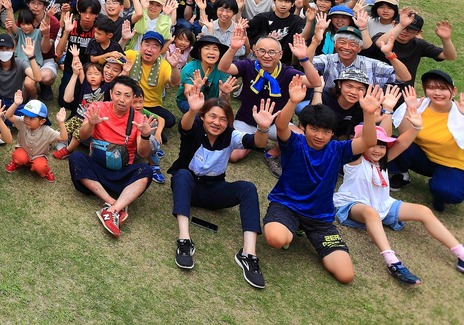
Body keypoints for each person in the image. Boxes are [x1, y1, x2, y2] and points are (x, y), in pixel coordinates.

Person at [262, 75, 384, 284]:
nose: (319, 135)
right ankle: (290, 228)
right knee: (276, 238)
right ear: (304, 127)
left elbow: (368, 141)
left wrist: (369, 113)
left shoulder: (338, 149)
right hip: (286, 205)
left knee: (346, 275)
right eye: (314, 129)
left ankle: (301, 229)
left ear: (332, 133)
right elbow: (281, 126)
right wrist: (293, 101)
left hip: (320, 219)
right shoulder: (295, 143)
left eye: (326, 131)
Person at [334, 95, 464, 285]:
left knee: (423, 211)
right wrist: (369, 115)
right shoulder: (354, 159)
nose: (377, 150)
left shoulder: (383, 161)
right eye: (373, 145)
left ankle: (460, 252)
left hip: (383, 205)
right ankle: (392, 261)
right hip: (353, 204)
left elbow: (402, 143)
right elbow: (366, 139)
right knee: (370, 213)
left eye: (382, 146)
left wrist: (417, 127)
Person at [170, 81, 274, 288]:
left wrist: (262, 128)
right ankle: (184, 241)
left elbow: (257, 143)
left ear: (228, 123)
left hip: (214, 189)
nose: (217, 122)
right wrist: (192, 109)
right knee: (181, 175)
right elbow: (185, 126)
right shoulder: (195, 127)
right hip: (188, 186)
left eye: (223, 119)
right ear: (203, 117)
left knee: (248, 188)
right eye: (212, 116)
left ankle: (248, 254)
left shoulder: (231, 136)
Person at [67, 76, 157, 237]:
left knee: (146, 170)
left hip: (121, 173)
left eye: (127, 95)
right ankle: (112, 202)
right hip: (95, 170)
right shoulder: (97, 108)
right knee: (76, 158)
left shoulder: (138, 119)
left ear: (133, 98)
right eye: (118, 94)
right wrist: (91, 123)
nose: (122, 99)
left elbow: (143, 154)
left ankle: (111, 211)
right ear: (111, 93)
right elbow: (82, 134)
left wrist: (145, 136)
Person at [389, 69, 464, 213]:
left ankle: (440, 189)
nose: (437, 93)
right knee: (393, 143)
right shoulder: (418, 105)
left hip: (453, 165)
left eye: (442, 88)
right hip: (423, 157)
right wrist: (410, 109)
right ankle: (402, 174)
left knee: (450, 193)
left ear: (453, 91)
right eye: (431, 87)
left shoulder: (460, 112)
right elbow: (404, 136)